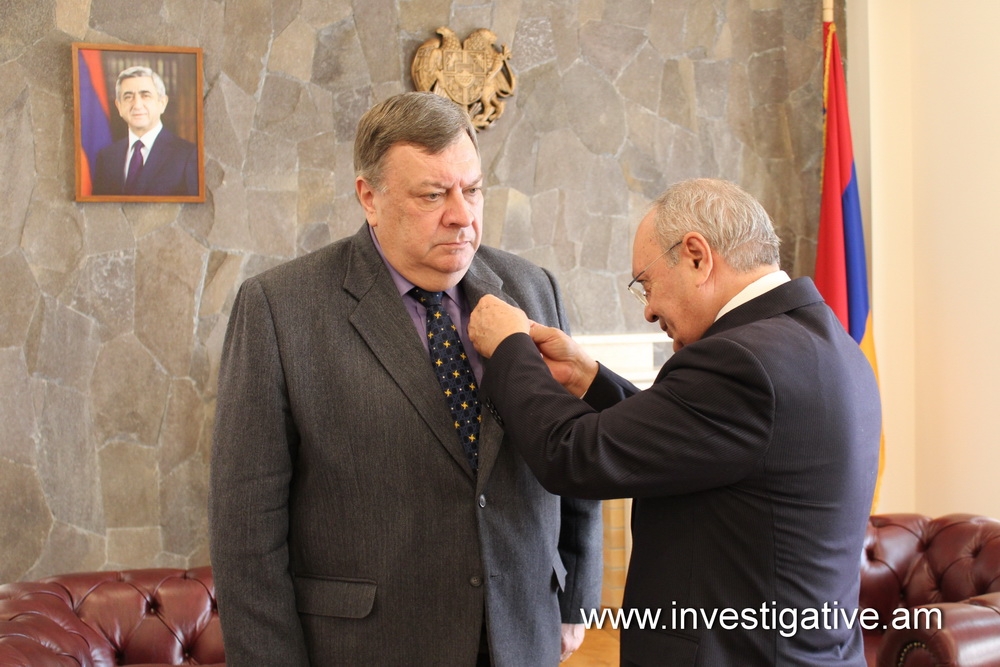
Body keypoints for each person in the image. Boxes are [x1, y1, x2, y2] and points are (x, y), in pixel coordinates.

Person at [209, 92, 602, 666]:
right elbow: (246, 528)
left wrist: (576, 597)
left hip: (521, 634)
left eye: (473, 190)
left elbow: (574, 451)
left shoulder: (532, 288)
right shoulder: (279, 309)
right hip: (368, 646)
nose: (462, 215)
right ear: (370, 197)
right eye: (433, 195)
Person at [468, 178, 881, 666]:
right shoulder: (827, 344)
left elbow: (574, 455)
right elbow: (699, 439)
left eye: (645, 283)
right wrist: (588, 377)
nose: (648, 310)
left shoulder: (741, 361)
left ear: (696, 256)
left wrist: (510, 348)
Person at [91, 66, 198, 196]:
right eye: (128, 97)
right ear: (119, 107)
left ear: (162, 103)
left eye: (145, 95)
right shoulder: (107, 157)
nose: (137, 105)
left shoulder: (187, 156)